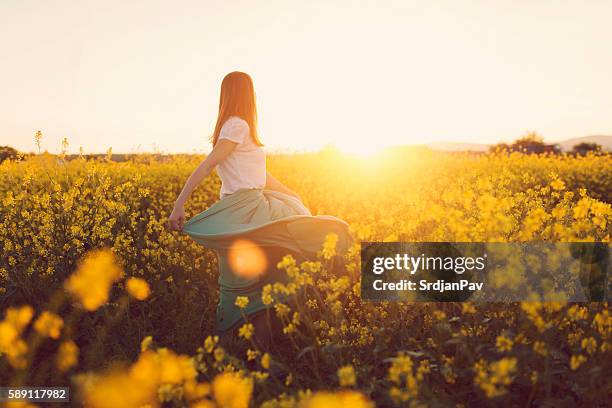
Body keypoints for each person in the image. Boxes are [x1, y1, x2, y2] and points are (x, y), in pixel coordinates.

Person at [167, 71, 350, 352]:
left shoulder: (238, 128)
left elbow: (259, 173)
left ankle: (253, 356)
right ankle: (230, 354)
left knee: (256, 283)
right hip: (245, 211)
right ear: (246, 95)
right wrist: (179, 205)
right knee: (244, 286)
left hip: (250, 209)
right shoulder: (237, 125)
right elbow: (205, 167)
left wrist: (291, 194)